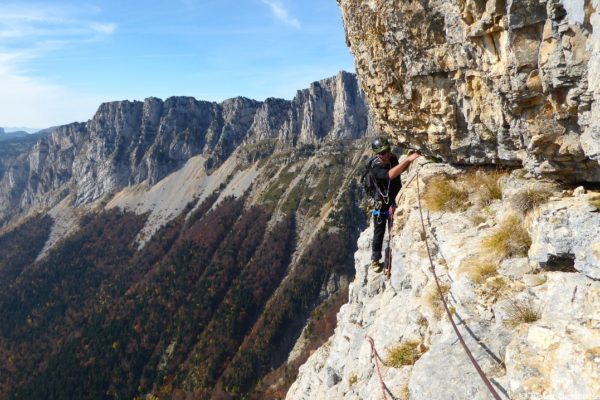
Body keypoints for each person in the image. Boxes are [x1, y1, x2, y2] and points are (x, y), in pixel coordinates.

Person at [368, 137, 420, 273]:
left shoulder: (392, 159)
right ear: (377, 154)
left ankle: (392, 252)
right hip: (381, 202)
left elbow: (399, 171)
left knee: (393, 228)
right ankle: (375, 260)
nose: (387, 154)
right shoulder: (375, 167)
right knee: (379, 232)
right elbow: (390, 175)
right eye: (383, 152)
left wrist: (409, 159)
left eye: (387, 150)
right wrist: (407, 160)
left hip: (393, 198)